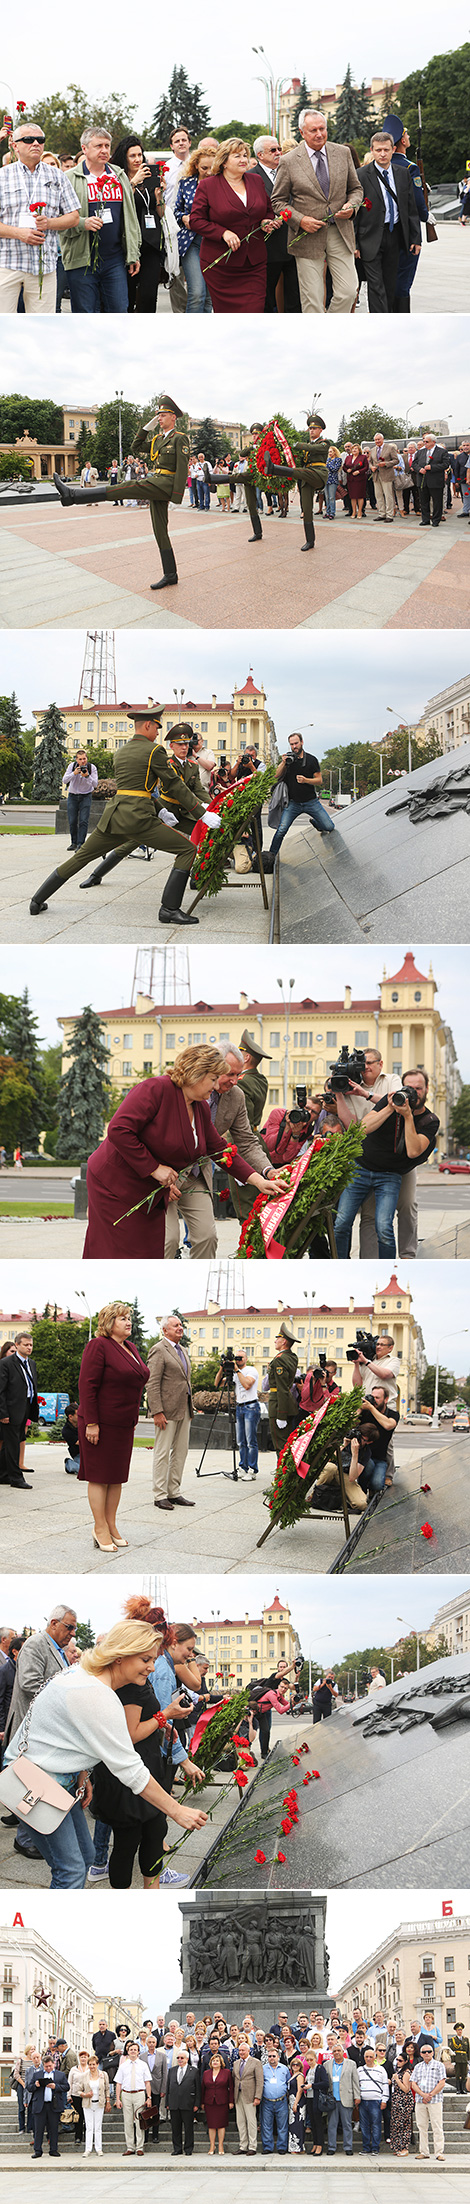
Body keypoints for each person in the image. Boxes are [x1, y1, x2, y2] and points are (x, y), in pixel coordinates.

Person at [4, 1617, 207, 1887]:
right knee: (71, 1871)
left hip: (59, 1779)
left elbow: (63, 1733)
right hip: (38, 1785)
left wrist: (81, 1773)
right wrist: (176, 1810)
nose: (152, 1666)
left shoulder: (83, 1676)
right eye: (145, 1658)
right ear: (120, 1656)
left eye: (153, 1658)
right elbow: (129, 1768)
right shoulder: (97, 1695)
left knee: (87, 1857)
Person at [83, 1047, 275, 1259]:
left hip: (149, 1188)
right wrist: (154, 1169)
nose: (215, 1085)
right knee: (116, 1251)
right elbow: (119, 1130)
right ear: (197, 1073)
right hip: (114, 1183)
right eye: (213, 1079)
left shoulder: (199, 1107)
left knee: (148, 1249)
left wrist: (259, 1181)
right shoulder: (155, 1088)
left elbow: (219, 1149)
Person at [30, 703, 200, 924]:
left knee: (81, 857)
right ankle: (169, 909)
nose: (158, 732)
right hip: (139, 819)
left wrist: (161, 810)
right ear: (148, 725)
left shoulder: (121, 752)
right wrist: (202, 814)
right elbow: (174, 785)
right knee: (187, 849)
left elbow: (135, 789)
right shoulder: (154, 751)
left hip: (115, 816)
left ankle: (37, 900)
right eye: (157, 727)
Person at [53, 398, 191, 594]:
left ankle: (73, 495)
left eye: (163, 415)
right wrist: (146, 427)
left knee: (127, 487)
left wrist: (177, 496)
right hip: (157, 482)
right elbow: (136, 446)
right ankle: (171, 574)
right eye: (158, 415)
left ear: (173, 417)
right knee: (160, 530)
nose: (159, 418)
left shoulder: (180, 438)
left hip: (165, 483)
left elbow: (183, 468)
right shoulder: (159, 439)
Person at [165, 1040, 282, 1253]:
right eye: (230, 1074)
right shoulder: (178, 1091)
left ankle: (201, 1283)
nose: (236, 1081)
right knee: (168, 1241)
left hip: (197, 1174)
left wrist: (268, 1172)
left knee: (207, 1238)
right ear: (213, 1068)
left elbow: (245, 1141)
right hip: (167, 1175)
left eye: (238, 1074)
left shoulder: (235, 1096)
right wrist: (157, 1173)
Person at [334, 1070, 439, 1259]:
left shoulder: (429, 1120)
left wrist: (407, 1116)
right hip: (362, 1167)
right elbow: (363, 1128)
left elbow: (414, 1151)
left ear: (426, 1090)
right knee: (342, 1222)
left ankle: (399, 1262)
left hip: (392, 1174)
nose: (413, 1093)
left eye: (418, 1089)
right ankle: (343, 1263)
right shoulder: (389, 1101)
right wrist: (390, 1108)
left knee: (387, 1224)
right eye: (409, 1088)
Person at [271, 109, 363, 312]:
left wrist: (352, 206)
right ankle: (319, 338)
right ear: (302, 132)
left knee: (349, 291)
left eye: (322, 129)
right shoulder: (288, 161)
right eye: (313, 130)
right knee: (312, 299)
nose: (319, 134)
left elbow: (356, 189)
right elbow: (278, 202)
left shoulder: (343, 152)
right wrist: (300, 220)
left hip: (340, 231)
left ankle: (329, 327)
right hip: (306, 236)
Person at [77, 1300, 148, 1552]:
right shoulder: (98, 1346)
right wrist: (92, 1423)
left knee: (116, 1478)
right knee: (99, 1476)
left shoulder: (130, 1347)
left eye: (129, 1317)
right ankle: (99, 1528)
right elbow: (87, 1386)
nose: (128, 1321)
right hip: (100, 1422)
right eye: (122, 1318)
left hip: (123, 1423)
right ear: (109, 1323)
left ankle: (111, 1524)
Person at [190, 138, 280, 312]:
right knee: (228, 318)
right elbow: (196, 220)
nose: (244, 160)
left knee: (254, 311)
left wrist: (266, 221)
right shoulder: (208, 185)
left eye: (245, 155)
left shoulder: (256, 181)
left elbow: (268, 210)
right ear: (223, 161)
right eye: (237, 156)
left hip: (255, 264)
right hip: (221, 266)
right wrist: (223, 233)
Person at [0, 118, 80, 311]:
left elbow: (74, 216)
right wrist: (19, 233)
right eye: (28, 139)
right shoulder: (2, 176)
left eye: (40, 139)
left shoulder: (57, 176)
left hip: (43, 266)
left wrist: (49, 223)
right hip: (7, 264)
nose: (36, 143)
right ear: (15, 145)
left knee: (43, 327)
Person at [60, 125, 140, 311]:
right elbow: (57, 221)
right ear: (84, 149)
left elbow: (130, 219)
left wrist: (134, 253)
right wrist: (82, 223)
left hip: (114, 260)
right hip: (82, 260)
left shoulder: (119, 176)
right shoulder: (68, 178)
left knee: (120, 310)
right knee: (85, 312)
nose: (104, 150)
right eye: (98, 146)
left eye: (107, 145)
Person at [355, 131, 421, 313]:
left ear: (393, 150)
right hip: (369, 237)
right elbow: (355, 211)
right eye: (378, 150)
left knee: (390, 284)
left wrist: (416, 238)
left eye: (386, 150)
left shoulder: (402, 173)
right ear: (372, 151)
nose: (382, 154)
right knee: (376, 286)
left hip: (395, 235)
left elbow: (410, 208)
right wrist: (355, 243)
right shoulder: (361, 175)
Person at [264, 730, 336, 870]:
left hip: (311, 802)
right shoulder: (288, 760)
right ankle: (270, 858)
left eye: (296, 743)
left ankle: (317, 823)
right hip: (293, 803)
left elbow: (319, 780)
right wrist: (283, 763)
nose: (294, 747)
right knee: (281, 830)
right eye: (291, 744)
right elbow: (276, 776)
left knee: (329, 827)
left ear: (302, 742)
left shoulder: (311, 760)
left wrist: (306, 780)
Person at [111, 135, 166, 312]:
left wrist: (159, 196)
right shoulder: (118, 178)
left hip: (151, 242)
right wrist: (133, 182)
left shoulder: (150, 177)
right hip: (127, 244)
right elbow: (117, 204)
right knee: (127, 294)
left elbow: (161, 213)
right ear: (124, 157)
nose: (137, 159)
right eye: (132, 156)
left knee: (149, 295)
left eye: (139, 155)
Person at [383, 113, 429, 312]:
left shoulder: (379, 167)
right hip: (407, 233)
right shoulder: (410, 168)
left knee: (388, 279)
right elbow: (418, 202)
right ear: (402, 140)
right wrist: (427, 216)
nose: (409, 137)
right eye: (407, 134)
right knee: (403, 281)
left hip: (385, 233)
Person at [147, 1316, 193, 1512]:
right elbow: (152, 1382)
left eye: (181, 1325)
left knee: (181, 1452)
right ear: (165, 1330)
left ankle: (174, 1492)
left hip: (184, 1408)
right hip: (166, 1410)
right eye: (176, 1326)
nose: (180, 1328)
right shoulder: (159, 1349)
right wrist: (157, 1411)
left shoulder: (182, 1350)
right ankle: (160, 1495)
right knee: (163, 1452)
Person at [267, 412, 330, 553]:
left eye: (314, 428)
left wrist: (297, 445)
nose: (311, 431)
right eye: (310, 429)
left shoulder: (325, 443)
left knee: (302, 472)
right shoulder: (307, 446)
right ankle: (310, 540)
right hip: (307, 477)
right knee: (306, 509)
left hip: (318, 474)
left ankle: (275, 469)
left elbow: (314, 448)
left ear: (320, 430)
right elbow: (301, 458)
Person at [251, 136, 301, 312]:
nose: (278, 153)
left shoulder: (290, 170)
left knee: (294, 296)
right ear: (260, 155)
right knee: (266, 297)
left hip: (294, 242)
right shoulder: (251, 177)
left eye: (279, 149)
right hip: (267, 246)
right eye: (273, 150)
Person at [174, 142, 218, 311]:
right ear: (196, 166)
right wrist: (184, 217)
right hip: (191, 242)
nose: (208, 172)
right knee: (197, 292)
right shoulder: (186, 183)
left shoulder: (222, 184)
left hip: (214, 241)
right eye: (204, 168)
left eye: (211, 168)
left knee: (209, 296)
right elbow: (176, 211)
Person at [0, 1327, 38, 1489]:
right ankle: (16, 1478)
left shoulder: (32, 1363)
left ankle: (3, 1475)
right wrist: (3, 1413)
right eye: (25, 1345)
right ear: (17, 1345)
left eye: (31, 1345)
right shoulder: (6, 1363)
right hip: (10, 1410)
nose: (29, 1347)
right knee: (13, 1444)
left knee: (12, 1443)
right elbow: (1, 1390)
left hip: (26, 1408)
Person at [267, 1320, 300, 1455]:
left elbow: (281, 1387)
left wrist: (281, 1415)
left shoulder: (280, 1359)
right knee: (286, 1443)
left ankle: (283, 1475)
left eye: (278, 1338)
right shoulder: (291, 1357)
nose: (275, 1341)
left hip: (279, 1405)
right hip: (287, 1402)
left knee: (281, 1445)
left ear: (284, 1342)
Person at [323, 2041, 360, 2154]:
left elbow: (355, 2081)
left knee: (347, 2124)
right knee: (332, 2125)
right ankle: (331, 2147)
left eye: (339, 2050)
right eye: (334, 2051)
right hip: (332, 2099)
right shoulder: (327, 2064)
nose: (337, 2053)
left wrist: (357, 2096)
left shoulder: (351, 2064)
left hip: (346, 2098)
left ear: (343, 2052)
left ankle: (348, 2147)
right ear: (332, 2053)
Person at [116, 2039, 152, 2155]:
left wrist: (149, 2097)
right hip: (126, 2094)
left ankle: (139, 2147)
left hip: (139, 2094)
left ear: (138, 2052)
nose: (132, 2051)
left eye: (135, 2050)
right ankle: (130, 2147)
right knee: (127, 2122)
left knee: (139, 2121)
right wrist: (117, 2098)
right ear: (128, 2050)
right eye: (131, 2049)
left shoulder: (143, 2065)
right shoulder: (123, 2065)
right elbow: (118, 2083)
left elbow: (147, 2082)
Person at [411, 2042, 446, 2158]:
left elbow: (442, 2083)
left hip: (435, 2100)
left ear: (433, 2053)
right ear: (420, 2054)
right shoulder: (417, 2066)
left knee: (437, 2126)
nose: (427, 2054)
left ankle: (439, 2152)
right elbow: (413, 2083)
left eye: (429, 2052)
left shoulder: (439, 2065)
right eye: (424, 2052)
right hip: (420, 2101)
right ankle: (424, 2152)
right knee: (422, 2127)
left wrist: (430, 2095)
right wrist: (422, 2095)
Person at [165, 2042, 200, 2155]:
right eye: (178, 2058)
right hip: (174, 2104)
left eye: (182, 2058)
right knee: (176, 2128)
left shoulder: (194, 2071)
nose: (179, 2060)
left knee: (188, 2128)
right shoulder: (172, 2070)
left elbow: (198, 2089)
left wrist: (196, 2104)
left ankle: (188, 2149)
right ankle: (177, 2148)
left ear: (187, 2059)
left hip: (188, 2103)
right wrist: (167, 2103)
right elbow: (168, 2088)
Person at [31, 2053, 69, 2157]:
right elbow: (29, 2087)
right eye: (46, 2066)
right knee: (38, 2129)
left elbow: (66, 2087)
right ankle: (38, 2150)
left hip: (54, 2105)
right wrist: (35, 2085)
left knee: (53, 2129)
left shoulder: (60, 2075)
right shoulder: (37, 2075)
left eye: (50, 2066)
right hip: (40, 2105)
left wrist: (55, 2087)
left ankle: (53, 2149)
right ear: (43, 2065)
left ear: (54, 2064)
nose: (48, 2068)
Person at [232, 1348, 260, 1479]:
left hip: (251, 1406)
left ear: (246, 1359)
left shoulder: (251, 1370)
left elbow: (247, 1385)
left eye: (240, 1358)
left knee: (250, 1441)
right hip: (239, 1407)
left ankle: (252, 1470)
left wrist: (237, 1370)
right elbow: (217, 1383)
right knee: (240, 1441)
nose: (238, 1360)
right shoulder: (234, 1373)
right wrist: (222, 1368)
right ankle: (243, 1466)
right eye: (236, 1357)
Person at [356, 2045, 389, 2153]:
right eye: (366, 2057)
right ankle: (366, 2147)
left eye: (371, 2056)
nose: (368, 2059)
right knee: (364, 2126)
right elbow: (356, 2085)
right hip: (363, 2101)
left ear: (375, 2057)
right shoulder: (359, 2070)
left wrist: (384, 2100)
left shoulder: (381, 2069)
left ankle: (375, 2148)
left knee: (376, 2125)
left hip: (376, 2101)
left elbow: (385, 2085)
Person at [233, 2039, 264, 2154]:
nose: (241, 2052)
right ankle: (243, 2146)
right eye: (239, 2050)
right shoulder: (236, 2063)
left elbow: (260, 2081)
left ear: (249, 2051)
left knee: (251, 2121)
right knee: (240, 2122)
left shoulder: (256, 2062)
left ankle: (252, 2146)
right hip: (238, 2096)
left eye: (243, 2050)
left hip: (250, 2096)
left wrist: (258, 2096)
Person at [63, 750, 98, 849]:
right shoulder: (72, 766)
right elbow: (64, 780)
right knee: (72, 820)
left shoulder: (92, 768)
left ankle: (81, 844)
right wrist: (74, 773)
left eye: (84, 759)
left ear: (87, 758)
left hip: (86, 796)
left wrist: (87, 776)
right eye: (80, 759)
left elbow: (95, 784)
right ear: (76, 759)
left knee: (83, 820)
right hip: (73, 796)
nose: (83, 761)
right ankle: (74, 842)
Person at [201, 2046, 234, 2153]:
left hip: (222, 2102)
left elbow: (231, 2087)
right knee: (211, 2125)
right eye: (213, 2061)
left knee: (221, 2125)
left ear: (221, 2063)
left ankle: (220, 2146)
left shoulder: (227, 2072)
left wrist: (231, 2101)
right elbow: (203, 2088)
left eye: (217, 2061)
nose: (215, 2062)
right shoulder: (206, 2073)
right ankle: (212, 2146)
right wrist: (201, 2102)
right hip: (209, 2102)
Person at [259, 2043, 290, 2153]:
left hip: (281, 2101)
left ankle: (282, 2147)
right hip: (267, 2101)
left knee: (282, 2126)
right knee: (266, 2126)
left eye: (273, 2056)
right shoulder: (262, 2069)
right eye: (269, 2056)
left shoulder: (284, 2069)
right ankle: (268, 2147)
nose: (271, 2058)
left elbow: (288, 2082)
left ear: (278, 2057)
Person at [414, 434, 448, 528]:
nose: (425, 443)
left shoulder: (442, 451)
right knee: (424, 501)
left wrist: (432, 467)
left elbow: (445, 464)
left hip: (436, 481)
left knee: (437, 501)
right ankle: (425, 519)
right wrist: (419, 469)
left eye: (427, 442)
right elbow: (414, 463)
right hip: (422, 480)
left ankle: (436, 520)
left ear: (433, 442)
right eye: (424, 441)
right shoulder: (421, 452)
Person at [238, 1030, 270, 1128]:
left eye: (239, 1053)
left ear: (246, 1058)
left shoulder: (242, 1082)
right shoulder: (261, 1079)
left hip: (243, 1137)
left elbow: (243, 1120)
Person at [80, 2053, 110, 2153]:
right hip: (88, 2104)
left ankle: (98, 2148)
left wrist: (108, 2101)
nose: (92, 2066)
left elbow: (107, 2089)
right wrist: (85, 2095)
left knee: (98, 2127)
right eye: (90, 2064)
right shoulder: (84, 2075)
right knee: (89, 2127)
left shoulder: (103, 2075)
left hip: (99, 2103)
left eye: (94, 2064)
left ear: (97, 2064)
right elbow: (79, 2090)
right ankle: (88, 2149)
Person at [369, 431, 400, 522]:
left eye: (378, 439)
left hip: (386, 475)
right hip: (376, 475)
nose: (377, 441)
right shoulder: (373, 449)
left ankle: (389, 515)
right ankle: (382, 513)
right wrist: (372, 467)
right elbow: (370, 461)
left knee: (388, 495)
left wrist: (386, 464)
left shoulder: (390, 448)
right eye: (375, 440)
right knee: (378, 495)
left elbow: (396, 460)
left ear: (382, 439)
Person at [389, 2054, 413, 2155]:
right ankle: (398, 2147)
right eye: (397, 2060)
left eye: (400, 2060)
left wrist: (397, 2080)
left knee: (404, 2125)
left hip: (404, 2101)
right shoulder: (398, 2071)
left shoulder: (406, 2073)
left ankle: (405, 2148)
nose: (398, 2062)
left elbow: (406, 2089)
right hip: (396, 2101)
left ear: (405, 2061)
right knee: (396, 2125)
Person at [164, 127, 192, 213]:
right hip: (171, 217)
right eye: (177, 141)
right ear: (171, 146)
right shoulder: (165, 168)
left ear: (189, 143)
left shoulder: (198, 165)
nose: (181, 143)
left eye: (184, 140)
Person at [343, 443, 369, 518]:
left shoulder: (363, 457)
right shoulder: (348, 457)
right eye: (353, 449)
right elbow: (344, 466)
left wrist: (359, 471)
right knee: (353, 496)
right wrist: (346, 470)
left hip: (360, 479)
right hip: (351, 479)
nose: (354, 450)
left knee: (360, 496)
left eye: (356, 449)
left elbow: (366, 467)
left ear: (359, 450)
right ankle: (354, 511)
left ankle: (360, 511)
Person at [449, 2023, 470, 2092]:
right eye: (458, 2030)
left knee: (464, 2074)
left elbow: (468, 2050)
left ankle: (463, 2089)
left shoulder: (466, 2039)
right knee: (458, 2074)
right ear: (456, 2031)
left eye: (460, 2030)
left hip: (464, 2059)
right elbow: (451, 2051)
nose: (460, 2031)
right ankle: (458, 2089)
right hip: (457, 2059)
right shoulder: (453, 2039)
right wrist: (453, 2061)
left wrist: (468, 2060)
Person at [62, 1402, 80, 1475]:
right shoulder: (66, 1431)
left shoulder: (84, 1423)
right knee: (83, 1471)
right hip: (78, 1454)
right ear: (70, 1417)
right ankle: (69, 1463)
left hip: (89, 1452)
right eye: (78, 1414)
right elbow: (80, 1443)